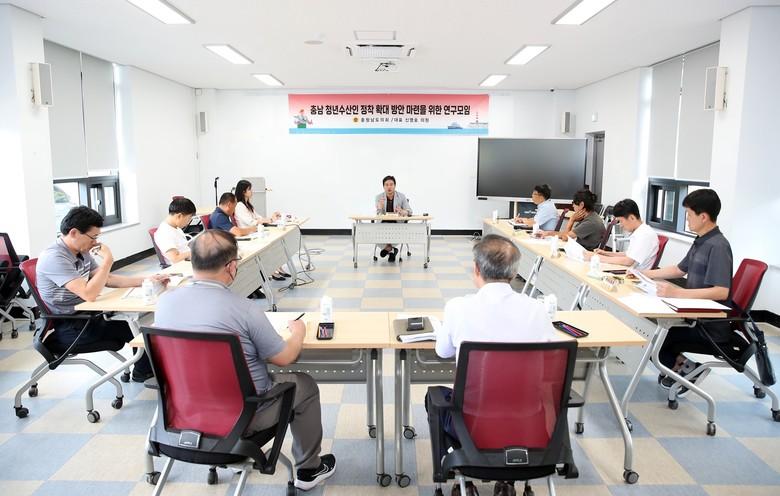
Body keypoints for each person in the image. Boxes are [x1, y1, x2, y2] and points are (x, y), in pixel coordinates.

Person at [154, 230, 336, 491]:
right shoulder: (245, 309)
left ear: (192, 261)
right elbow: (284, 358)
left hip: (184, 412)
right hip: (243, 416)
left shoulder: (164, 303)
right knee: (304, 384)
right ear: (231, 267)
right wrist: (299, 332)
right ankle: (309, 470)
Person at [429, 234, 558, 495]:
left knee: (436, 399)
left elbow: (443, 352)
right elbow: (550, 359)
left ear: (476, 269)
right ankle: (508, 482)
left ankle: (461, 477)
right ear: (514, 273)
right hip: (528, 421)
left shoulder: (458, 307)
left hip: (472, 422)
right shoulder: (537, 310)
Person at [36, 206, 168, 382]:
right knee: (140, 329)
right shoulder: (55, 257)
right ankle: (145, 372)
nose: (95, 242)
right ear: (74, 233)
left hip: (90, 314)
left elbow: (108, 279)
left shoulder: (79, 252)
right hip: (73, 325)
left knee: (139, 322)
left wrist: (148, 279)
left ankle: (145, 369)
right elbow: (88, 294)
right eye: (93, 237)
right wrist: (107, 261)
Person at [642, 189, 733, 393]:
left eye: (689, 215)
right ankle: (683, 367)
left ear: (703, 216)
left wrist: (677, 293)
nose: (687, 220)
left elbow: (721, 292)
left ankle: (684, 370)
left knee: (653, 335)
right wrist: (644, 273)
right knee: (649, 328)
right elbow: (679, 269)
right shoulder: (701, 240)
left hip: (708, 326)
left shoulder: (718, 246)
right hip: (693, 315)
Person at [234, 180, 289, 281]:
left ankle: (278, 268)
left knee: (277, 242)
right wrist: (270, 219)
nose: (252, 191)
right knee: (271, 245)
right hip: (248, 235)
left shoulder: (247, 204)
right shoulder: (239, 206)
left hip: (254, 232)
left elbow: (259, 218)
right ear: (243, 192)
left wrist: (272, 218)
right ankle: (273, 270)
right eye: (249, 189)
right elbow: (252, 222)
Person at [585, 198, 659, 270]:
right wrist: (605, 253)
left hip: (634, 275)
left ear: (632, 218)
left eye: (621, 221)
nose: (620, 225)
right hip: (629, 270)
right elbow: (628, 254)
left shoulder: (645, 235)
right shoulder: (640, 231)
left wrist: (597, 257)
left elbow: (629, 261)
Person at [374, 175, 412, 262]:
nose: (389, 187)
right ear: (383, 186)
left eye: (391, 184)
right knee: (374, 233)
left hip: (397, 224)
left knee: (391, 230)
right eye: (386, 185)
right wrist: (380, 208)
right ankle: (391, 250)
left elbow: (409, 211)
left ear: (395, 185)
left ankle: (388, 248)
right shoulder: (379, 197)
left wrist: (402, 211)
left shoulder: (401, 196)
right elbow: (378, 214)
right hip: (382, 224)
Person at [154, 197, 196, 265]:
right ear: (179, 216)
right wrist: (193, 253)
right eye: (189, 219)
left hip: (190, 261)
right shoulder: (164, 233)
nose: (188, 222)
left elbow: (183, 246)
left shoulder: (175, 227)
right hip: (182, 266)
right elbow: (175, 259)